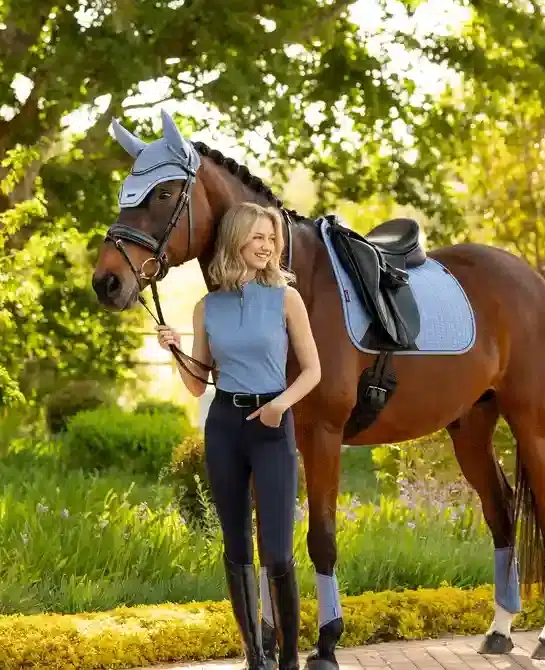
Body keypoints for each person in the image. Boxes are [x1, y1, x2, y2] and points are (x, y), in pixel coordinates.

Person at [156, 202, 321, 670]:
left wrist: (281, 406)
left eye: (272, 238)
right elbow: (197, 384)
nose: (268, 247)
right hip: (225, 425)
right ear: (236, 240)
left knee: (278, 551)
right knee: (236, 546)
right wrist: (176, 350)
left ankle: (288, 659)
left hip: (272, 425)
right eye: (258, 237)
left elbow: (313, 370)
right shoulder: (208, 307)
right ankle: (256, 657)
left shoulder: (286, 298)